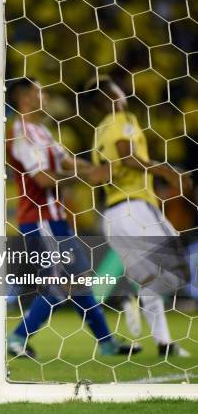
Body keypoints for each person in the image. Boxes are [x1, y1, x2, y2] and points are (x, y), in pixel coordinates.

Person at [5, 78, 136, 358]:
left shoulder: (41, 131)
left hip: (55, 219)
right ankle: (17, 338)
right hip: (40, 219)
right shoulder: (20, 133)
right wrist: (86, 177)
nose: (47, 96)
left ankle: (107, 343)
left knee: (76, 280)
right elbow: (42, 179)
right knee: (64, 282)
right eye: (41, 91)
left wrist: (99, 170)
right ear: (25, 99)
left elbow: (68, 162)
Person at [85, 76, 192, 357]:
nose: (124, 94)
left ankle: (164, 342)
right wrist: (167, 171)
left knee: (148, 280)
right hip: (136, 209)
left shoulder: (98, 131)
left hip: (112, 216)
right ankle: (129, 295)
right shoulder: (122, 117)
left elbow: (105, 169)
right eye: (120, 90)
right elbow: (128, 156)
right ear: (111, 97)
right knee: (179, 270)